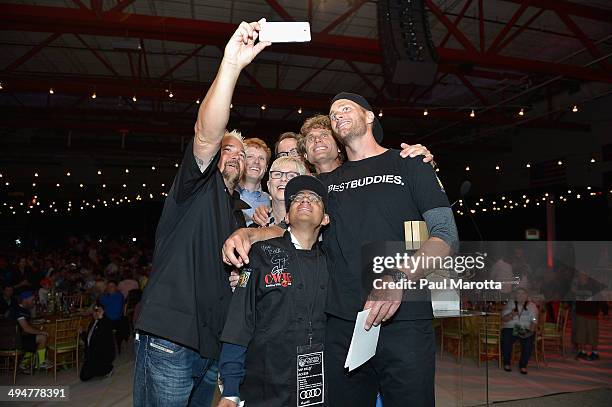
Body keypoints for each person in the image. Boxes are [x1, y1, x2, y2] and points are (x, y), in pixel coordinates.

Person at [223, 92, 458, 407]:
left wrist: (398, 279)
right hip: (342, 326)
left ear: (370, 117)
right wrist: (250, 234)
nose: (337, 116)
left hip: (405, 319)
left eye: (346, 109)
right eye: (332, 114)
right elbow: (299, 224)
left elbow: (446, 234)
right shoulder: (327, 182)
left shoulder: (408, 163)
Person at [133, 18, 269, 407]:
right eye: (228, 150)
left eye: (241, 154)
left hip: (210, 348)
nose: (235, 156)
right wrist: (231, 65)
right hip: (171, 340)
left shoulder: (236, 210)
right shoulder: (194, 189)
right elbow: (207, 133)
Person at [218, 175, 330, 407]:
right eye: (297, 198)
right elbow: (239, 322)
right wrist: (230, 390)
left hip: (321, 388)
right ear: (286, 217)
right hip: (265, 388)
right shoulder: (260, 254)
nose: (305, 200)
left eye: (314, 198)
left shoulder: (335, 263)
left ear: (326, 218)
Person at [9, 290, 52, 370]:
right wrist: (40, 331)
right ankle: (40, 362)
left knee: (33, 337)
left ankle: (24, 364)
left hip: (16, 338)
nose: (34, 302)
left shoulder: (21, 309)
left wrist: (37, 329)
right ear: (25, 300)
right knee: (42, 337)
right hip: (14, 341)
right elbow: (26, 328)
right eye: (32, 300)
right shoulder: (19, 311)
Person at [501, 288, 538, 374]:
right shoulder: (511, 303)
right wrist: (512, 314)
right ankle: (507, 363)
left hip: (524, 328)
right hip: (511, 327)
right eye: (518, 294)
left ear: (526, 296)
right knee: (506, 338)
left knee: (528, 341)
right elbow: (504, 319)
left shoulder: (532, 306)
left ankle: (523, 365)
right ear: (515, 295)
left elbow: (534, 319)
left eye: (523, 294)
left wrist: (531, 330)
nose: (520, 296)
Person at [237, 137, 272, 225]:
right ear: (241, 161)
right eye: (250, 156)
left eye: (261, 158)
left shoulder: (272, 202)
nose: (256, 162)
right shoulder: (226, 195)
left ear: (266, 167)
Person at [80, 303, 115, 381]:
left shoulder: (106, 322)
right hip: (92, 354)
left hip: (102, 355)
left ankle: (109, 368)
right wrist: (82, 333)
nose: (95, 313)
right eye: (94, 311)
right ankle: (96, 368)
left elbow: (105, 332)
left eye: (98, 311)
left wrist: (101, 317)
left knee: (97, 372)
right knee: (84, 376)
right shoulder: (92, 322)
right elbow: (89, 339)